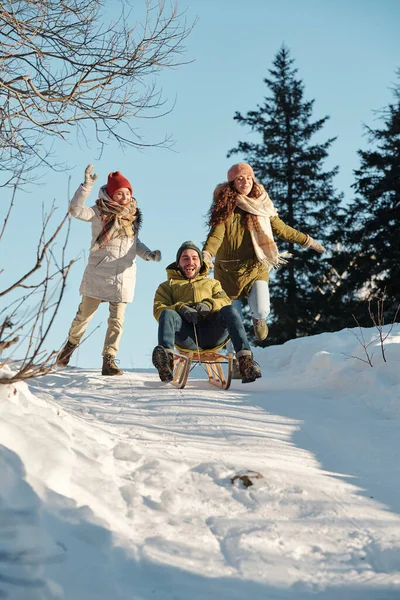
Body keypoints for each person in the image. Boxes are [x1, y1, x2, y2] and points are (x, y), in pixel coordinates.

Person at [202, 162, 326, 341]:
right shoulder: (226, 208)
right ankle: (237, 362)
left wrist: (308, 241)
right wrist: (207, 254)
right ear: (232, 183)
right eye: (240, 179)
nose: (245, 182)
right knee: (232, 322)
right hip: (227, 273)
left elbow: (282, 230)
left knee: (261, 308)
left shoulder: (263, 206)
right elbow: (216, 236)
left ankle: (258, 319)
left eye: (248, 178)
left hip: (255, 268)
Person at [57, 164, 161, 375]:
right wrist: (86, 186)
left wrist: (149, 254)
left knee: (117, 322)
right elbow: (75, 210)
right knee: (83, 316)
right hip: (99, 271)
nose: (124, 197)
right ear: (111, 194)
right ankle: (69, 346)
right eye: (119, 193)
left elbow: (135, 243)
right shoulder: (98, 212)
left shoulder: (132, 217)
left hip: (123, 274)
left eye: (127, 193)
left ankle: (109, 360)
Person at [151, 241, 262, 384]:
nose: (190, 262)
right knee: (167, 313)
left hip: (213, 334)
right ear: (178, 263)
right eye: (185, 258)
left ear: (200, 262)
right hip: (186, 337)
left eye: (194, 258)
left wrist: (209, 304)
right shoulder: (167, 287)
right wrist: (180, 308)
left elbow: (224, 300)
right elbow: (158, 310)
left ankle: (245, 362)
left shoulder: (212, 283)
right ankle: (166, 363)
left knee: (230, 310)